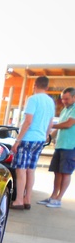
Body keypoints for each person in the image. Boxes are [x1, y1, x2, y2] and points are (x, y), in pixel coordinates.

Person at [10, 76, 55, 210]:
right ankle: (27, 199)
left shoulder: (33, 99)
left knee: (21, 170)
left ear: (35, 85)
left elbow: (28, 121)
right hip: (40, 139)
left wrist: (18, 140)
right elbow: (51, 123)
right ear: (47, 87)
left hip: (28, 138)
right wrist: (46, 136)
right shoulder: (50, 102)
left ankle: (18, 201)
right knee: (31, 170)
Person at [37, 87, 75, 208]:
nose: (64, 101)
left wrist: (51, 125)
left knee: (65, 173)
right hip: (60, 145)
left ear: (74, 97)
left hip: (71, 146)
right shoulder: (65, 110)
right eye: (62, 99)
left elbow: (68, 124)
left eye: (67, 99)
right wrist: (49, 136)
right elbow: (59, 129)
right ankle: (53, 196)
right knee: (57, 172)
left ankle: (59, 198)